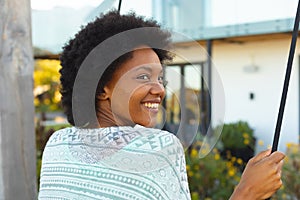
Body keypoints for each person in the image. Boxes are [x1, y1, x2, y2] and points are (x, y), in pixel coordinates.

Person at [38, 10, 285, 200]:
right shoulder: (157, 147)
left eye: (160, 78)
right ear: (102, 87)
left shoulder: (58, 145)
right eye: (143, 77)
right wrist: (247, 191)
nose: (160, 90)